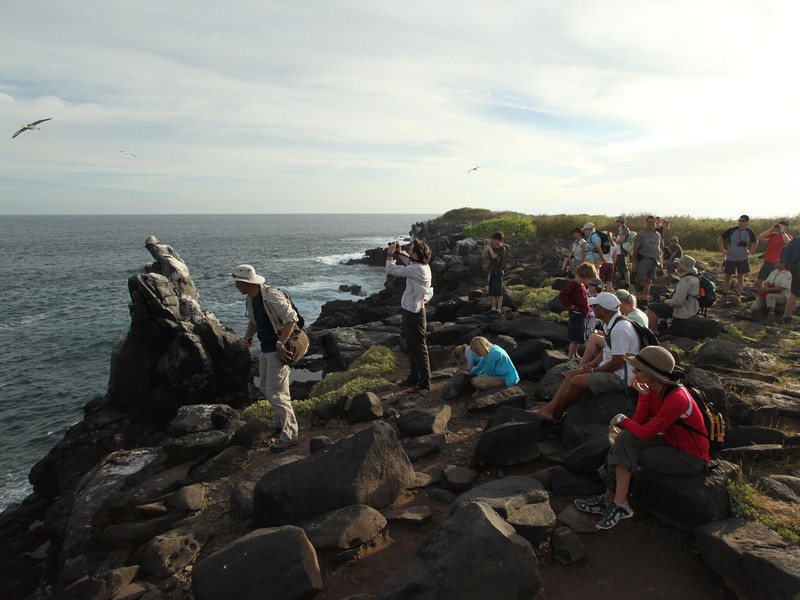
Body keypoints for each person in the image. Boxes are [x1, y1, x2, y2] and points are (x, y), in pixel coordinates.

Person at [574, 346, 709, 530]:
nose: (634, 372)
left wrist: (621, 419)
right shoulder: (654, 389)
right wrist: (644, 397)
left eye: (638, 369)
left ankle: (619, 503)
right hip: (671, 443)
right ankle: (609, 499)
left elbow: (644, 432)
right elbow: (638, 424)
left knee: (626, 449)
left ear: (652, 374)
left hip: (691, 458)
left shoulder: (677, 398)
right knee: (625, 439)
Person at [533, 292, 641, 421]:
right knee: (572, 374)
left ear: (603, 310)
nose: (592, 308)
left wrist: (594, 370)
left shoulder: (620, 329)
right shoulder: (612, 323)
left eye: (594, 306)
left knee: (576, 382)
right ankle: (550, 409)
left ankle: (557, 415)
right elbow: (607, 350)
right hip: (616, 370)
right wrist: (591, 364)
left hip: (621, 377)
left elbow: (617, 362)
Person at [232, 264, 300, 453]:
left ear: (246, 282)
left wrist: (280, 343)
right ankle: (283, 422)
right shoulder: (251, 298)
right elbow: (254, 322)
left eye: (237, 282)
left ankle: (290, 436)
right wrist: (248, 337)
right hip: (266, 349)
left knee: (275, 393)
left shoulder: (271, 296)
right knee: (267, 388)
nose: (236, 285)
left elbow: (291, 319)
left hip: (278, 350)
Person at [387, 239, 434, 391]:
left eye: (410, 249)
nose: (408, 250)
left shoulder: (416, 269)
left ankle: (425, 381)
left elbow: (391, 270)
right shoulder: (423, 266)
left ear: (416, 254)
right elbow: (410, 262)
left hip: (414, 313)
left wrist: (390, 254)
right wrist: (400, 252)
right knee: (413, 346)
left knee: (418, 347)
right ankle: (414, 378)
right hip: (414, 310)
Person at [570, 289, 647, 374]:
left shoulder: (626, 323)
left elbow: (620, 357)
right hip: (625, 355)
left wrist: (593, 370)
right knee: (600, 341)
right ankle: (588, 367)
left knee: (593, 338)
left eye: (594, 306)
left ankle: (582, 367)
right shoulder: (637, 313)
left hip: (624, 370)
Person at [645, 256, 701, 333]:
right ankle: (662, 326)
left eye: (678, 264)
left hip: (684, 310)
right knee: (663, 305)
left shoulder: (685, 281)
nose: (676, 266)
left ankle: (653, 332)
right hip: (693, 307)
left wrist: (666, 301)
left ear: (682, 267)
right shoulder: (695, 278)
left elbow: (678, 302)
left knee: (652, 308)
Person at [559, 262, 598, 368]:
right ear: (584, 275)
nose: (589, 281)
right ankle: (570, 358)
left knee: (579, 337)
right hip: (576, 315)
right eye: (588, 279)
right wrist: (570, 306)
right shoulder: (575, 284)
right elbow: (562, 294)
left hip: (581, 314)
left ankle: (575, 355)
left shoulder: (581, 285)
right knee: (575, 338)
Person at [716, 215, 758, 301]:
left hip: (743, 258)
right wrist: (723, 251)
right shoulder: (732, 230)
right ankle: (725, 294)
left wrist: (751, 251)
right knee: (728, 277)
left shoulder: (749, 231)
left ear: (747, 222)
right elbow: (719, 239)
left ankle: (739, 295)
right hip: (731, 257)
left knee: (740, 277)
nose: (741, 222)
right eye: (740, 220)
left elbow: (755, 242)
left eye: (743, 221)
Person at [631, 215, 664, 305]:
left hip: (654, 261)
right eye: (649, 222)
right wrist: (634, 262)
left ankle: (645, 299)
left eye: (653, 222)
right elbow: (635, 249)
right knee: (641, 281)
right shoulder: (640, 234)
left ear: (655, 223)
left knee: (649, 282)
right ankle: (638, 299)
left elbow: (660, 249)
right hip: (643, 260)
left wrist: (660, 262)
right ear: (646, 223)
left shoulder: (658, 235)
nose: (651, 224)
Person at [755, 220, 792, 294]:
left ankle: (770, 297)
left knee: (773, 283)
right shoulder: (773, 235)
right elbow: (760, 239)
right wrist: (771, 229)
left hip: (777, 264)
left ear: (787, 227)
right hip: (767, 262)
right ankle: (762, 296)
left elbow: (789, 244)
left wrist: (782, 232)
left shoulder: (788, 237)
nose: (779, 227)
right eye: (778, 225)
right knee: (759, 282)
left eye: (781, 226)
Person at [483, 232, 507, 315]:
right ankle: (493, 308)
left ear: (500, 240)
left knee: (499, 292)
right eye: (493, 239)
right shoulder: (493, 248)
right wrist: (486, 246)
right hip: (492, 272)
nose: (494, 241)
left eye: (495, 240)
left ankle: (499, 309)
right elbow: (485, 256)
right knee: (493, 292)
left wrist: (489, 246)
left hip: (498, 272)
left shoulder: (502, 248)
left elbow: (494, 256)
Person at [780, 236, 800, 323]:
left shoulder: (796, 239)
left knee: (794, 294)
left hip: (794, 269)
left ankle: (786, 317)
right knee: (794, 294)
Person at [614, 217, 631, 287]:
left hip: (621, 252)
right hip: (618, 251)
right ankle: (622, 282)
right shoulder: (621, 229)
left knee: (624, 267)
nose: (616, 223)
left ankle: (627, 283)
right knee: (620, 267)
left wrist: (614, 243)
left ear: (620, 222)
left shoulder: (624, 229)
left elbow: (622, 240)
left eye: (617, 221)